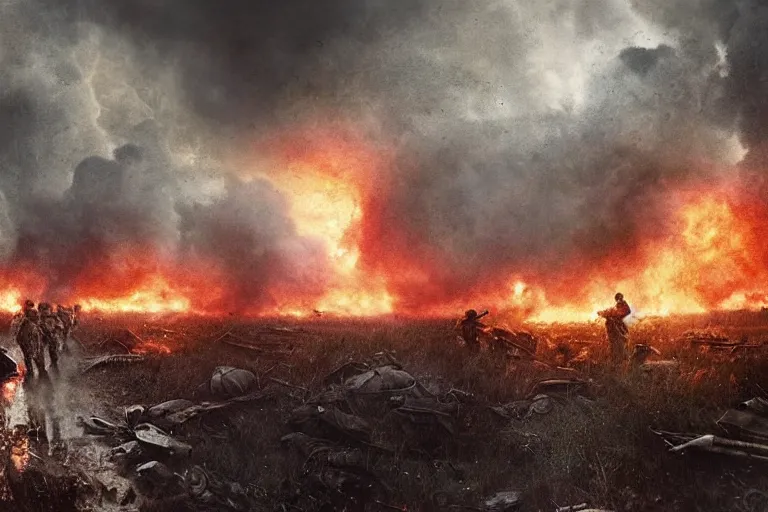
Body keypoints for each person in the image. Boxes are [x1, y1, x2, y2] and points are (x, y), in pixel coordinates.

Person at [14, 300, 45, 381]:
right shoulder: (26, 321)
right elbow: (20, 335)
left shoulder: (30, 319)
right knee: (30, 358)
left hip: (29, 342)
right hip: (28, 343)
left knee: (32, 358)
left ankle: (38, 374)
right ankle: (34, 374)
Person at [598, 293, 631, 364]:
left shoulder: (621, 306)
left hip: (618, 330)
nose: (619, 300)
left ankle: (620, 361)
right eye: (619, 299)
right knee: (615, 347)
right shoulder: (616, 308)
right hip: (614, 329)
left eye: (620, 299)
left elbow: (627, 311)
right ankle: (617, 362)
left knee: (620, 346)